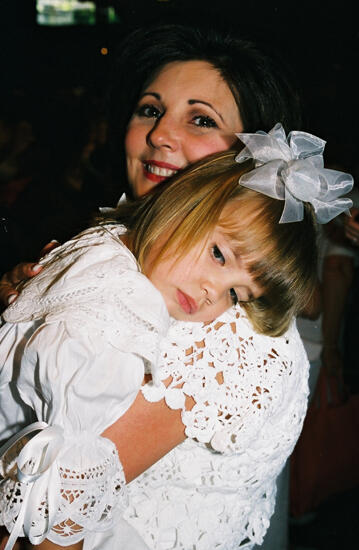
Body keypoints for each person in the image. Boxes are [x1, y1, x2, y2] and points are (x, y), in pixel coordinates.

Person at [0, 22, 335, 550]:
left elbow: (54, 524)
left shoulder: (223, 332)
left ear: (250, 163)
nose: (159, 134)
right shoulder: (129, 250)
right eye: (150, 109)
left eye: (201, 119)